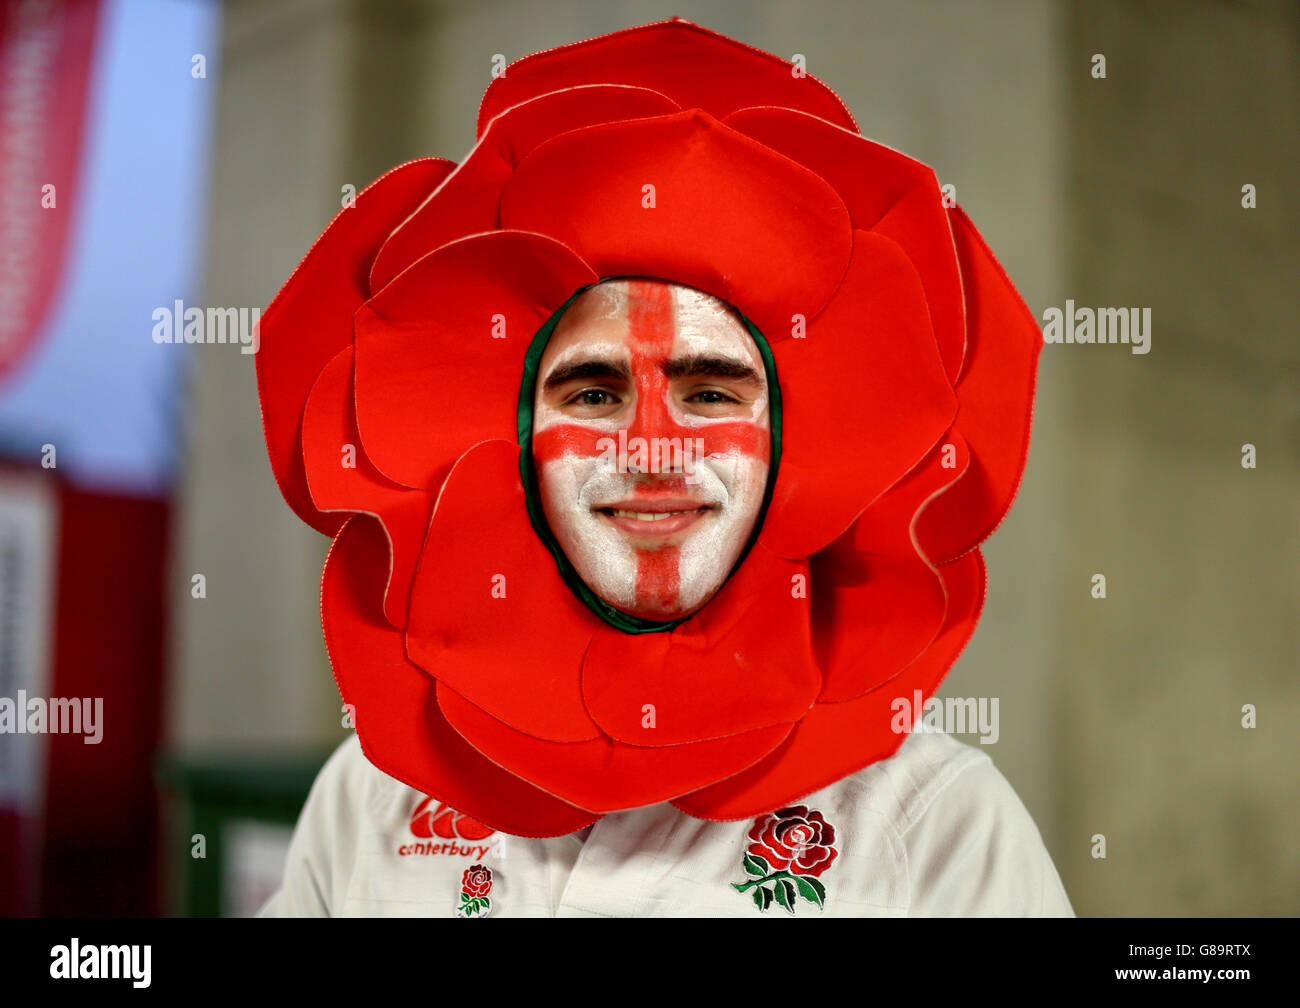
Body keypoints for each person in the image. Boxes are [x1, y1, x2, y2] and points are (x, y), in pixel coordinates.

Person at [254, 18, 1072, 917]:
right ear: (505, 441)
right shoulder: (371, 803)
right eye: (595, 395)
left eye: (712, 394)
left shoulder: (934, 823)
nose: (651, 448)